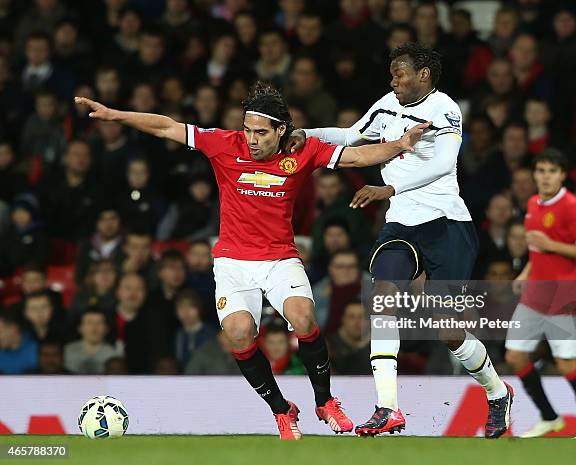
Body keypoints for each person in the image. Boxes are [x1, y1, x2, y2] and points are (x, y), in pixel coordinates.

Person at [75, 80, 427, 440]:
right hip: (232, 262)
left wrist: (399, 145)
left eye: (261, 132)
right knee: (240, 333)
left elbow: (357, 155)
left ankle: (324, 400)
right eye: (248, 130)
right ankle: (281, 409)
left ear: (281, 131)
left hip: (280, 259)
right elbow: (166, 126)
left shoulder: (303, 152)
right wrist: (115, 115)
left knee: (303, 316)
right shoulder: (225, 145)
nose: (252, 139)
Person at [288, 43, 512, 438]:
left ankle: (496, 392)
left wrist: (389, 187)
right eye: (392, 73)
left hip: (446, 224)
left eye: (400, 73)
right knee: (383, 297)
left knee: (449, 330)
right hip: (401, 225)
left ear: (423, 75)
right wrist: (308, 134)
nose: (393, 80)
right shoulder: (388, 103)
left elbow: (444, 164)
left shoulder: (445, 109)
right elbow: (352, 134)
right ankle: (388, 407)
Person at [505, 149, 576, 439]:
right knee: (515, 356)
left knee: (565, 363)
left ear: (562, 175)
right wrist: (525, 273)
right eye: (541, 171)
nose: (545, 176)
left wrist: (551, 244)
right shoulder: (532, 204)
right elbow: (536, 248)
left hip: (564, 296)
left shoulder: (573, 207)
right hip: (535, 295)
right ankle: (549, 417)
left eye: (552, 171)